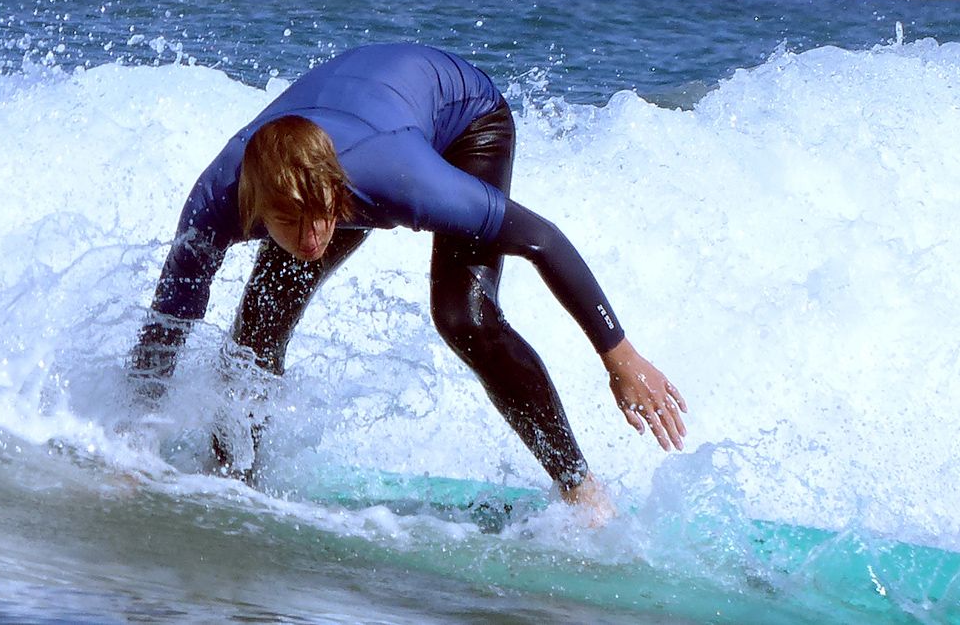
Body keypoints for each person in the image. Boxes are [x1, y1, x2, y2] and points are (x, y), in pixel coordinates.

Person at [130, 43, 687, 521]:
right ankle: (232, 483)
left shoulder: (394, 178)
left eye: (323, 218)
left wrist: (621, 357)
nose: (312, 239)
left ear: (340, 195)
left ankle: (580, 490)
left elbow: (543, 239)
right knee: (255, 331)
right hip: (349, 117)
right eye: (291, 224)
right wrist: (132, 447)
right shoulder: (217, 203)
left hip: (462, 118)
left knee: (464, 317)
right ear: (256, 208)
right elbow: (168, 325)